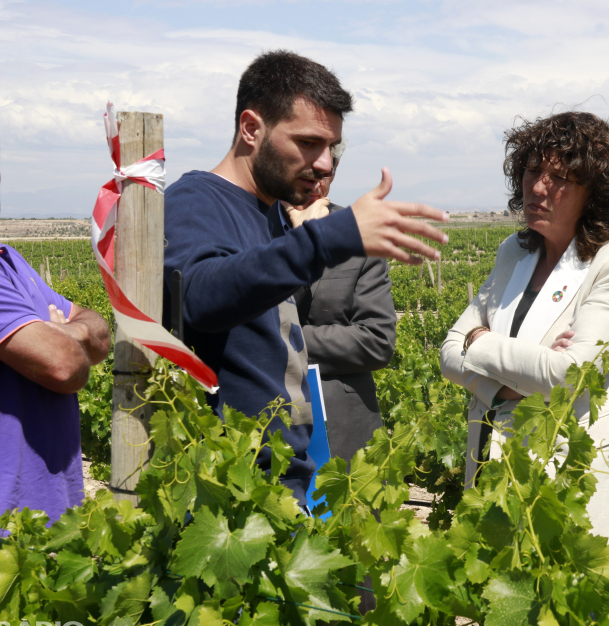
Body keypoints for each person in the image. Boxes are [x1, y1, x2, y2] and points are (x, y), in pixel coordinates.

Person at [163, 51, 446, 507]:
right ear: (251, 128)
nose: (326, 163)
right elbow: (199, 296)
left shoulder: (272, 213)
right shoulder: (195, 202)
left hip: (283, 481)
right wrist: (326, 240)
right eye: (310, 143)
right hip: (230, 491)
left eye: (332, 146)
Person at [440, 111, 609, 552]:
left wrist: (481, 342)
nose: (538, 187)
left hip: (574, 478)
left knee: (571, 614)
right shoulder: (513, 253)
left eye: (559, 178)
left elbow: (569, 378)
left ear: (594, 192)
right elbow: (448, 353)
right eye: (533, 171)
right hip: (495, 460)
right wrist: (516, 383)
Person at [0, 105, 111, 549]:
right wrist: (66, 338)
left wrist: (69, 333)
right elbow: (66, 367)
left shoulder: (1, 256)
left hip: (38, 521)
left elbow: (100, 333)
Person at [284, 159, 397, 465]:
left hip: (344, 436)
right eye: (304, 166)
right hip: (262, 426)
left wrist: (280, 338)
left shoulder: (359, 238)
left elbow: (376, 341)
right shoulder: (252, 229)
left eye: (325, 171)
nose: (314, 180)